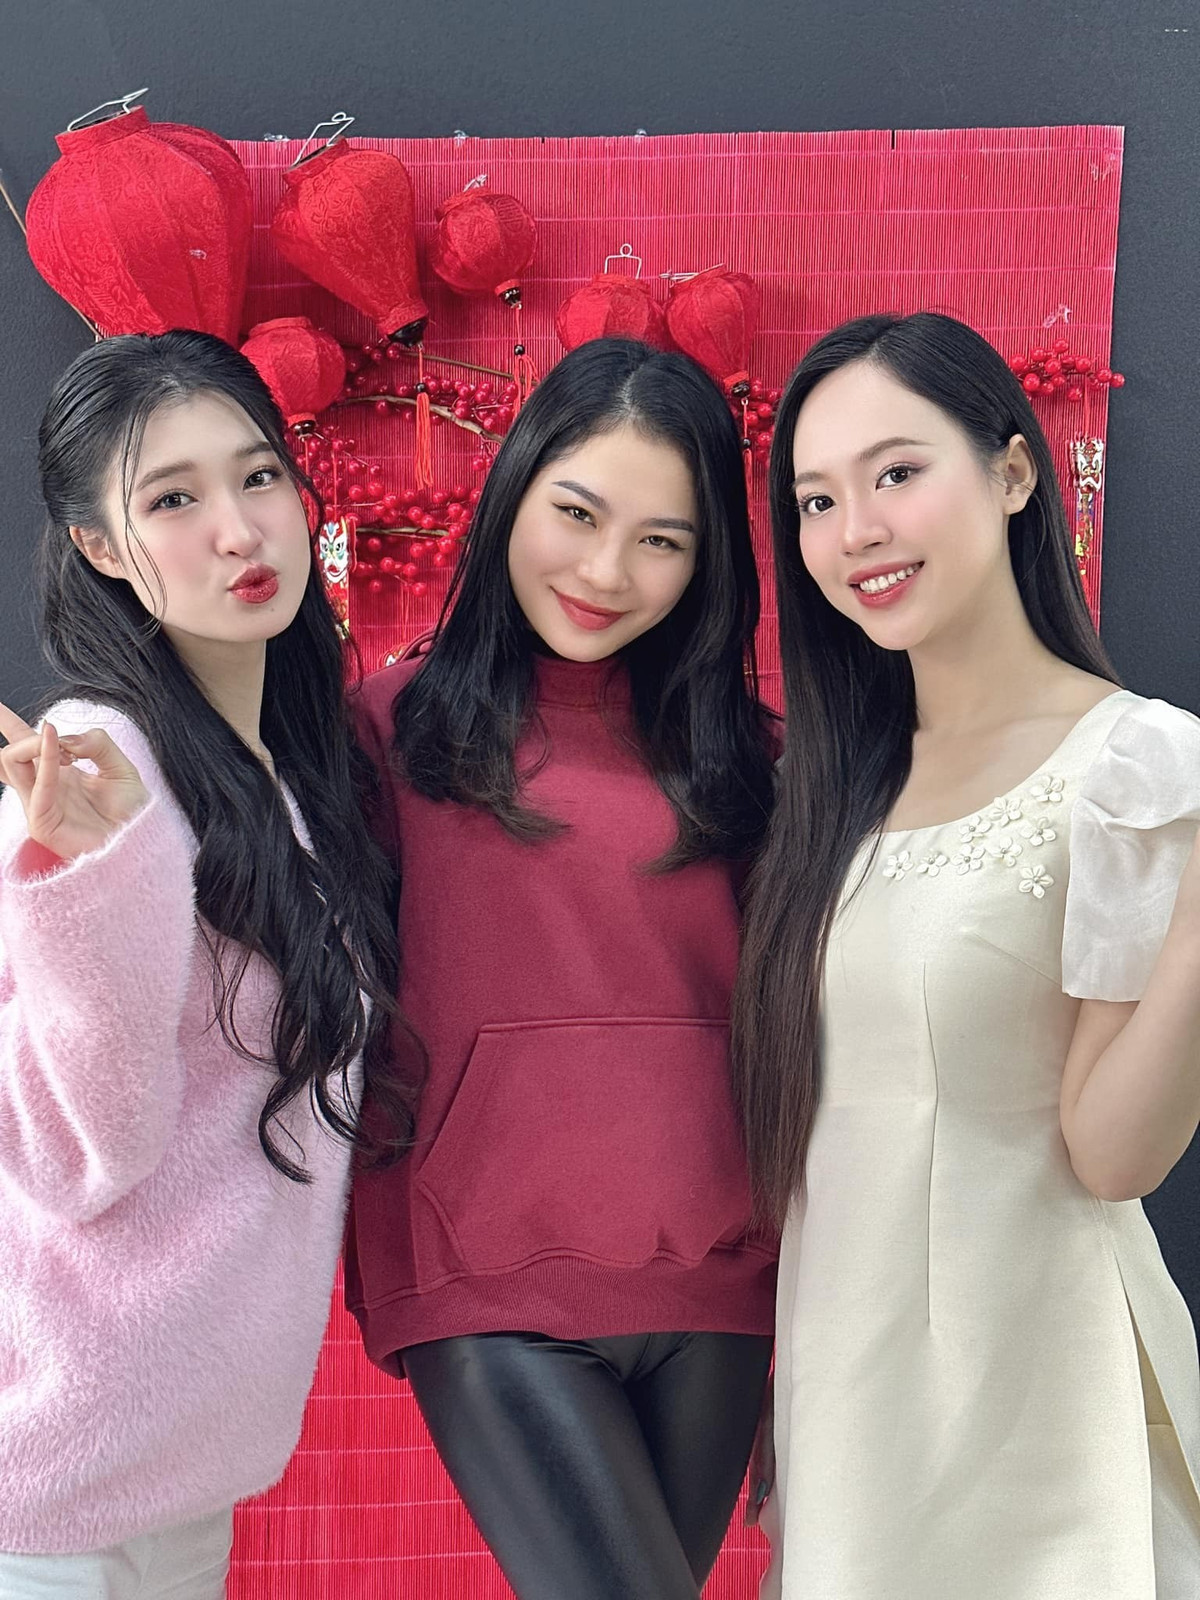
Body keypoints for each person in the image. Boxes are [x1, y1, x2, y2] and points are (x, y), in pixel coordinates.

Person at [734, 310, 1200, 1600]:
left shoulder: (1138, 768)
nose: (857, 531)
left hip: (1038, 1394)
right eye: (817, 501)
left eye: (896, 473)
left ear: (1012, 472)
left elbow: (1114, 1151)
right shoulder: (824, 789)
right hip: (848, 1385)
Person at [346, 338, 778, 1600]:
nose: (604, 572)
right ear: (513, 490)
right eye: (578, 514)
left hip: (722, 1279)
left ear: (707, 563)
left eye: (661, 540)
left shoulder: (759, 762)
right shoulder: (381, 731)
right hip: (484, 1278)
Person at [0, 331, 412, 1599]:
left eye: (258, 476)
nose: (239, 531)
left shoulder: (285, 774)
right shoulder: (96, 765)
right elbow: (80, 1151)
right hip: (48, 1480)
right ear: (100, 547)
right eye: (174, 500)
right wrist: (96, 885)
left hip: (176, 1472)